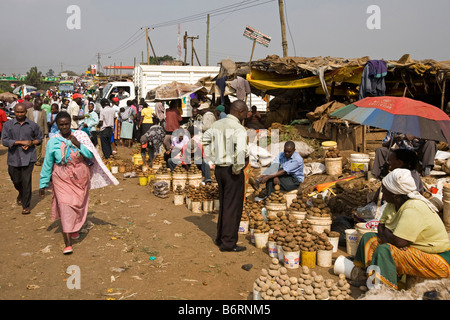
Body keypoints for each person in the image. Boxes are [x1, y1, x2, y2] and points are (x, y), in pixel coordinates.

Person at [353, 168, 450, 290]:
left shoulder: (414, 208)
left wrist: (393, 238)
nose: (382, 191)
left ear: (394, 193)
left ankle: (385, 290)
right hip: (414, 248)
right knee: (368, 238)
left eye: (384, 189)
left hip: (438, 258)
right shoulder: (392, 204)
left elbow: (398, 241)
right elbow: (381, 228)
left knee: (385, 251)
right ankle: (367, 276)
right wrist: (393, 238)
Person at [39, 111, 118, 254]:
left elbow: (89, 155)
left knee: (78, 204)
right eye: (61, 125)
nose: (64, 127)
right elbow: (48, 163)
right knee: (65, 205)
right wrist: (43, 184)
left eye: (67, 124)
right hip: (61, 176)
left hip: (80, 176)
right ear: (57, 125)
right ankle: (68, 243)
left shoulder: (81, 136)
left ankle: (74, 227)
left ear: (71, 124)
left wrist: (77, 143)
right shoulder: (53, 141)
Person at [202, 100, 248, 252]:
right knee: (232, 207)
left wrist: (212, 158)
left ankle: (220, 238)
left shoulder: (217, 124)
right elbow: (240, 153)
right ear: (240, 112)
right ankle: (228, 243)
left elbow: (205, 141)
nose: (246, 115)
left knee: (224, 204)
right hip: (231, 171)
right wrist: (237, 169)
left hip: (219, 170)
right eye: (246, 112)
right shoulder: (238, 128)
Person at [2, 103, 43, 214]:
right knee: (16, 180)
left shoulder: (33, 125)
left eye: (22, 112)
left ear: (26, 112)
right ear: (14, 112)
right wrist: (20, 142)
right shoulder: (8, 125)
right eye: (17, 112)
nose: (19, 114)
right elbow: (4, 141)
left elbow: (39, 138)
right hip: (13, 157)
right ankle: (21, 192)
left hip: (28, 157)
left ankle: (26, 205)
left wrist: (31, 143)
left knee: (26, 181)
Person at [372, 131, 437, 179]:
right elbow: (384, 144)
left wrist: (416, 136)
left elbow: (433, 138)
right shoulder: (394, 127)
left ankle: (426, 172)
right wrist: (394, 138)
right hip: (401, 154)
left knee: (431, 143)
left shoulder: (420, 126)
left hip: (417, 156)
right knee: (380, 150)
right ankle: (377, 176)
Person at [26, 97, 48, 166]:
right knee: (29, 144)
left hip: (39, 130)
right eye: (38, 105)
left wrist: (46, 131)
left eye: (40, 105)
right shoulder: (28, 111)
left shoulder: (43, 112)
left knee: (38, 146)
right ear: (34, 104)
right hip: (29, 130)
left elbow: (45, 122)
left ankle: (38, 160)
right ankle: (30, 158)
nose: (39, 106)